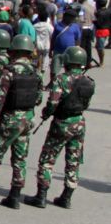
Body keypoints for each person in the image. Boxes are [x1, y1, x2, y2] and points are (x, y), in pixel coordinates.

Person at [26, 45, 93, 209]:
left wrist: (45, 113)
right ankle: (67, 197)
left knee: (47, 159)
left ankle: (41, 196)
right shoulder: (89, 82)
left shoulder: (61, 79)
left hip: (62, 123)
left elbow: (53, 102)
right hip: (79, 123)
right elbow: (86, 104)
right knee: (73, 160)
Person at [0, 34, 42, 209]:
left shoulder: (9, 72)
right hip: (27, 120)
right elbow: (38, 99)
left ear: (13, 51)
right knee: (20, 158)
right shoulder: (35, 73)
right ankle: (14, 197)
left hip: (9, 119)